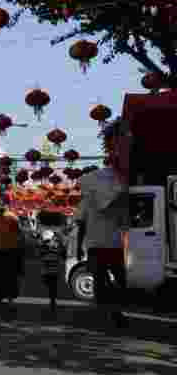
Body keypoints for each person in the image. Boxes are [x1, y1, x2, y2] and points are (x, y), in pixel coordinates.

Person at [76, 118, 130, 329]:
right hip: (108, 245)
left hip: (100, 246)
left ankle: (108, 310)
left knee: (103, 280)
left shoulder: (89, 198)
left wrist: (80, 247)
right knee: (115, 280)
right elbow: (124, 223)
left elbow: (80, 224)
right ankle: (113, 310)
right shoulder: (115, 194)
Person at [39, 229, 65, 318]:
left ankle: (52, 301)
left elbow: (39, 254)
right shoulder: (56, 245)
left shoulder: (43, 246)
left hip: (47, 270)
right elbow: (62, 253)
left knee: (50, 285)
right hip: (53, 269)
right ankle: (52, 300)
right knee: (52, 286)